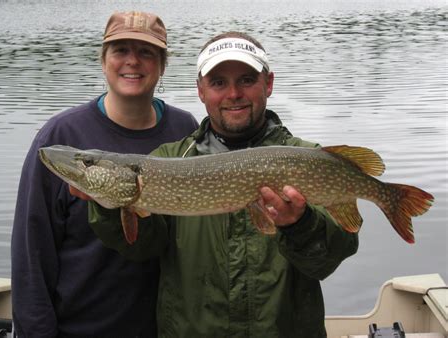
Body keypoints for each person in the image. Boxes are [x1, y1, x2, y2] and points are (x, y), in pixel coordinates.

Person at [83, 31, 359, 337]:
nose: (233, 94)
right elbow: (142, 248)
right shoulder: (169, 159)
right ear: (200, 90)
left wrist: (300, 224)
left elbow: (327, 261)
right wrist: (110, 203)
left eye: (246, 80)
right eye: (218, 83)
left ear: (268, 83)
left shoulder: (308, 159)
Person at [11, 11, 199, 337]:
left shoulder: (185, 131)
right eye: (120, 50)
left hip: (162, 328)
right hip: (80, 328)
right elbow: (31, 254)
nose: (132, 62)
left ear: (162, 65)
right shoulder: (61, 137)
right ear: (103, 60)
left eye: (146, 52)